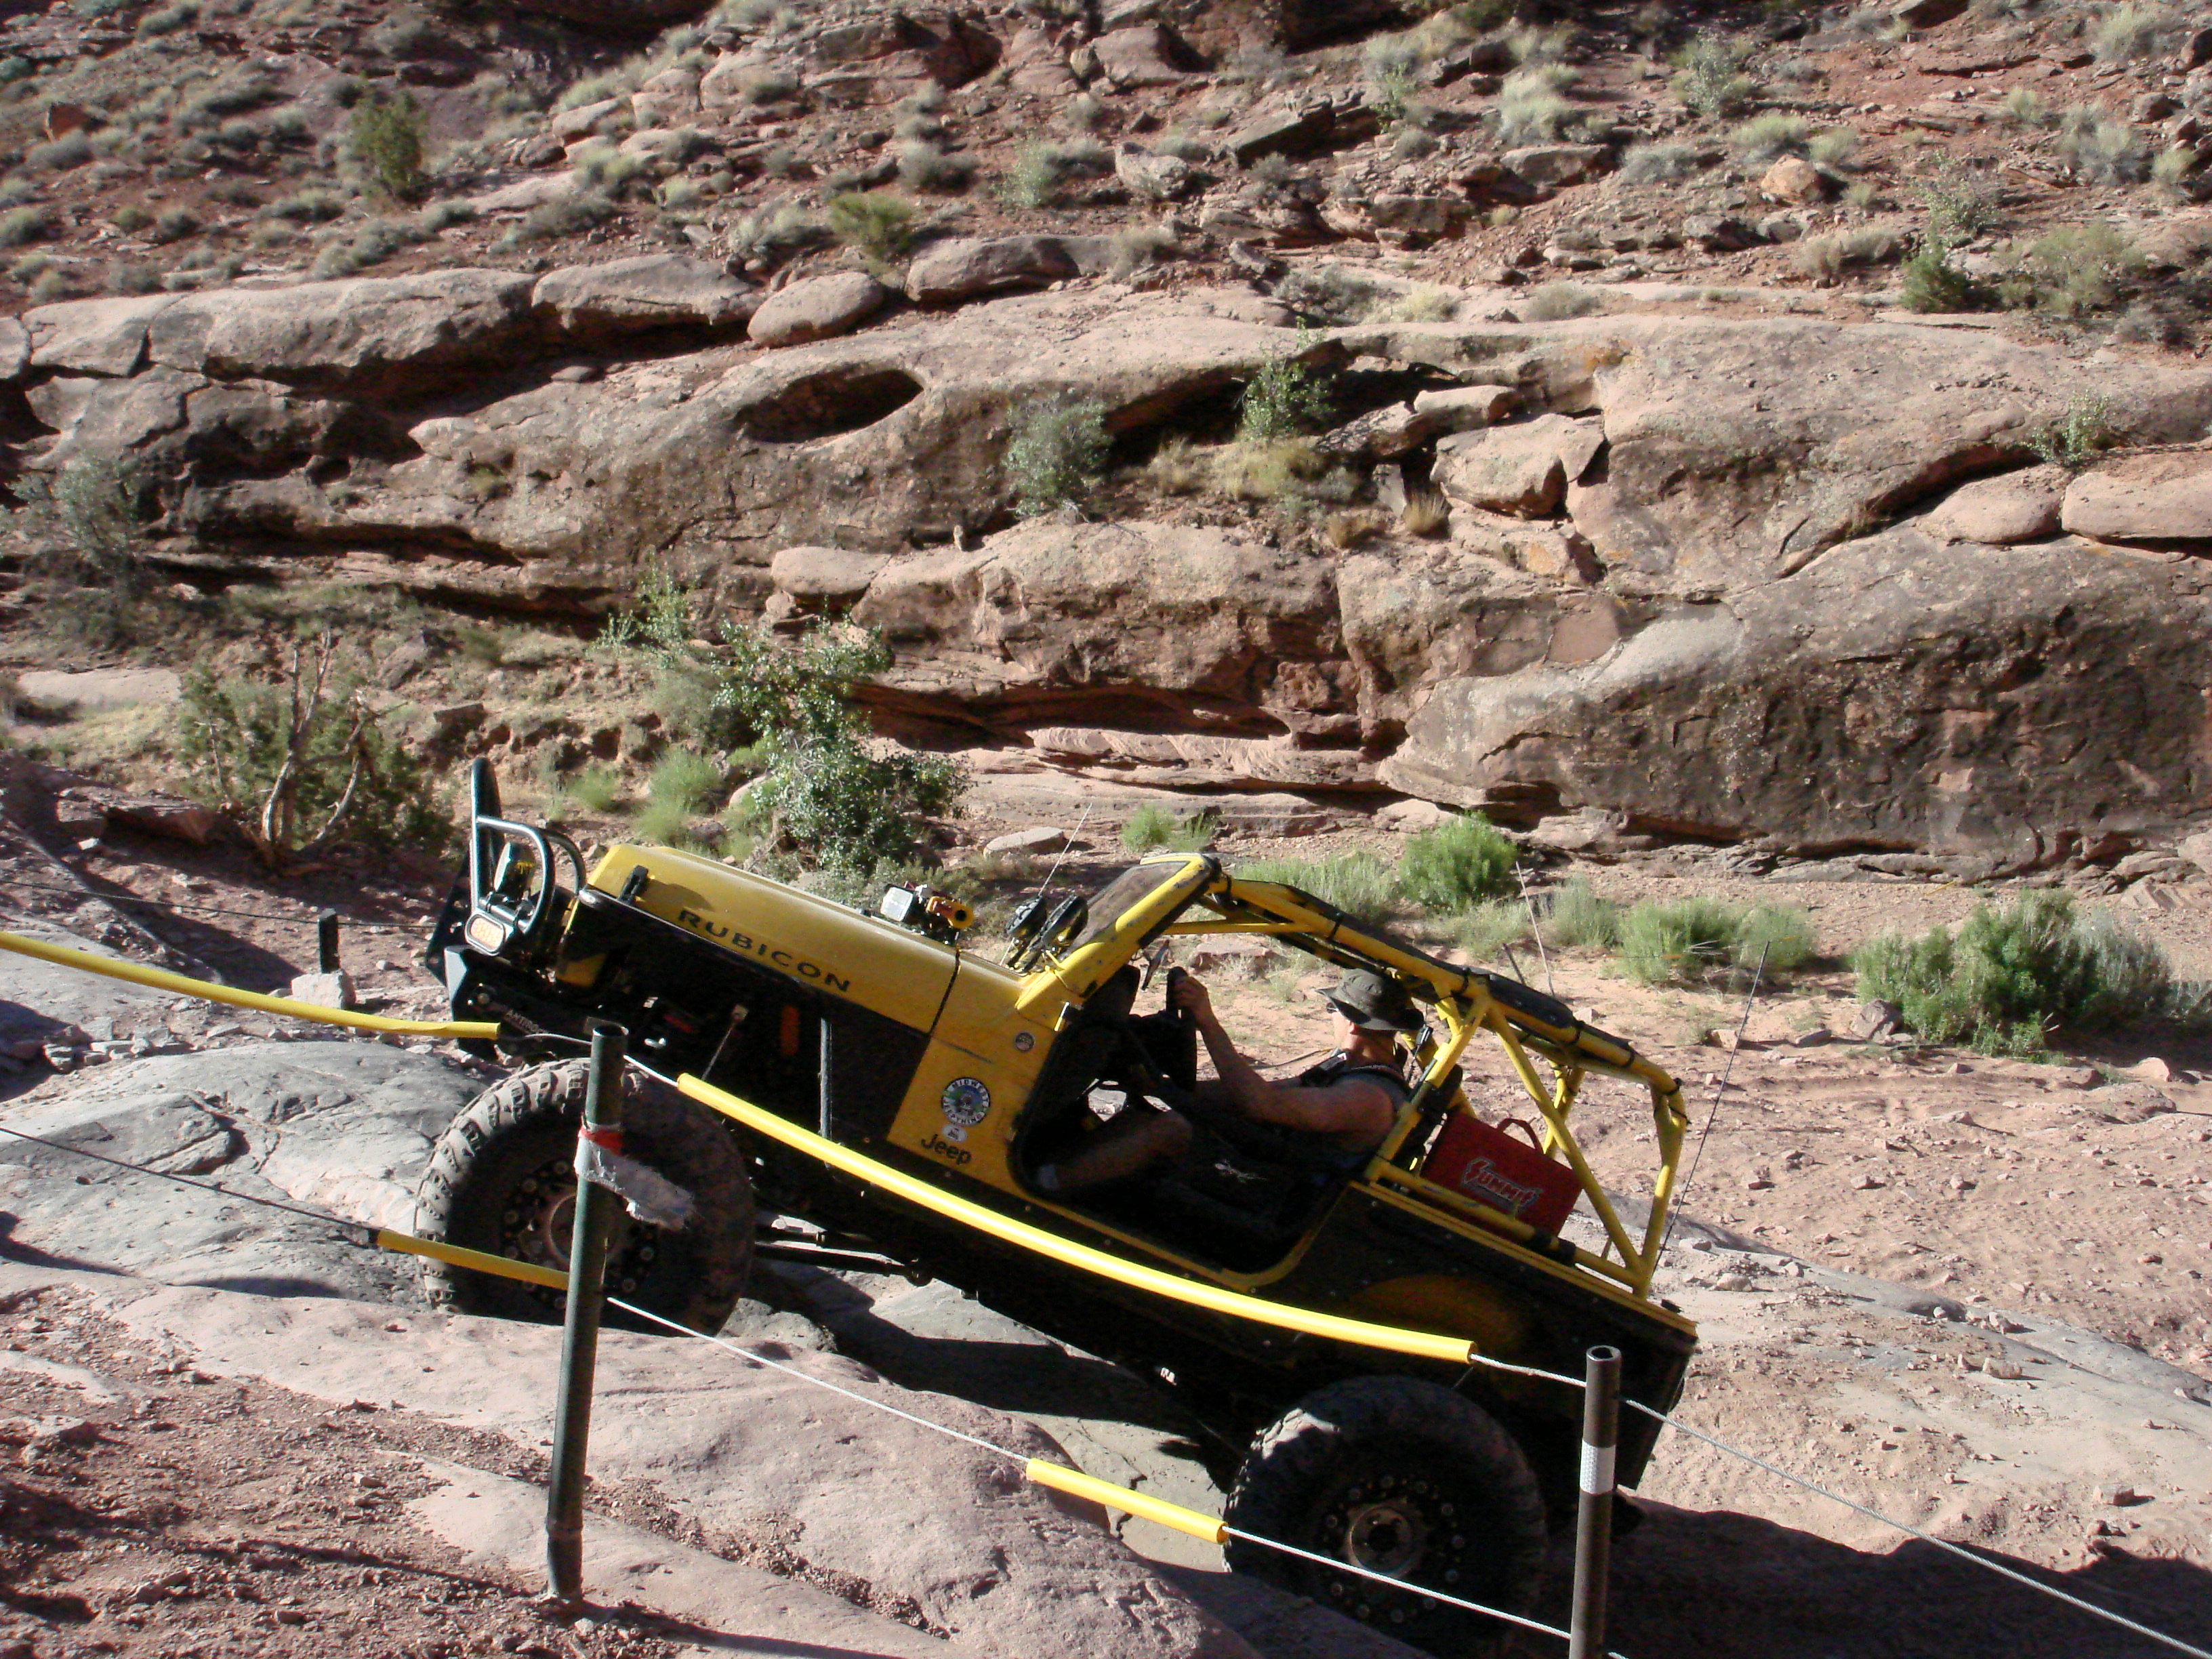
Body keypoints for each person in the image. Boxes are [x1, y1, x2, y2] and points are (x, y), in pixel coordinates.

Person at [1035, 967, 1418, 1195]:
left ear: (1352, 1023)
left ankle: (1041, 1192)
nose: (1329, 1015)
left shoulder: (1366, 1096)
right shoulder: (1347, 1067)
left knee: (1173, 1130)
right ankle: (1052, 1167)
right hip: (1272, 1161)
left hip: (1283, 1189)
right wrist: (1164, 1087)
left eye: (1331, 1008)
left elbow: (1260, 1104)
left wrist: (1207, 1021)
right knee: (1143, 1116)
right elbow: (1265, 1093)